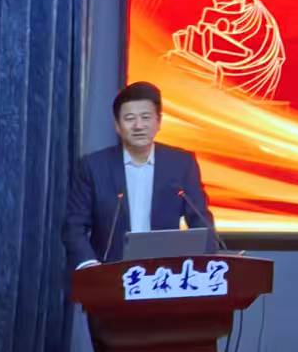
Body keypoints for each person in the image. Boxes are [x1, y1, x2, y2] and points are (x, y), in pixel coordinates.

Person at [64, 81, 216, 270]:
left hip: (165, 273)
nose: (138, 126)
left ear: (158, 122)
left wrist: (207, 264)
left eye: (146, 117)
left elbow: (201, 222)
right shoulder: (93, 167)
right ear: (117, 126)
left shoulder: (181, 164)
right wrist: (89, 264)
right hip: (110, 273)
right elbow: (74, 226)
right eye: (129, 118)